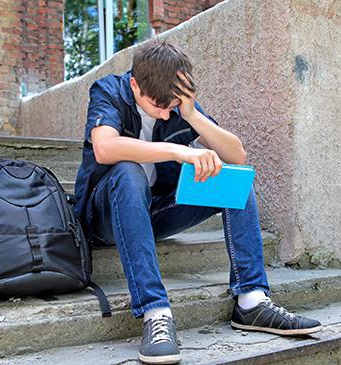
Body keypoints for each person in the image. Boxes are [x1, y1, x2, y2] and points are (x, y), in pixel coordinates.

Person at [74, 40, 321, 365]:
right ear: (135, 84)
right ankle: (155, 312)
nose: (165, 113)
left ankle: (251, 300)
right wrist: (180, 151)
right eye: (157, 105)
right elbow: (105, 148)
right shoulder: (109, 90)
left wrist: (191, 113)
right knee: (128, 171)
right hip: (103, 217)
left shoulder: (178, 106)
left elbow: (237, 154)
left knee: (233, 181)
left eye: (172, 105)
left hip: (153, 214)